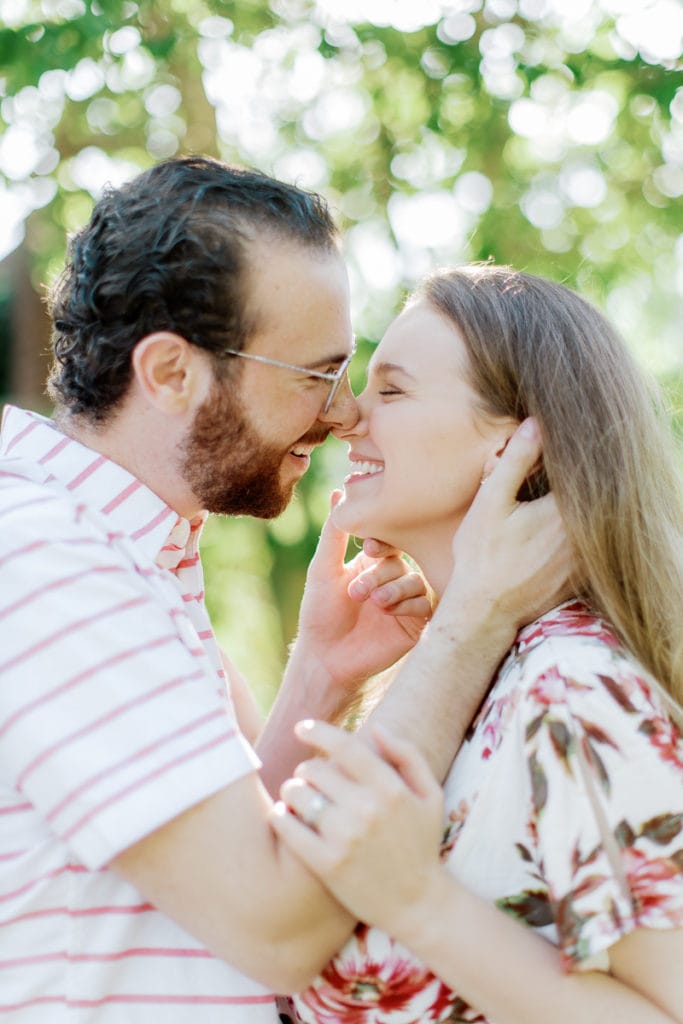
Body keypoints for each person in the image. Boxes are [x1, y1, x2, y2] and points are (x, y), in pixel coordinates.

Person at [0, 160, 570, 1021]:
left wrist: (319, 678)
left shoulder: (123, 555)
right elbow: (275, 930)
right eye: (316, 373)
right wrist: (475, 618)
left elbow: (217, 868)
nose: (343, 415)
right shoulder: (50, 564)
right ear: (170, 374)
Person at [273, 264, 683, 1024]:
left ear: (516, 442)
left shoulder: (572, 685)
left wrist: (417, 903)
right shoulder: (462, 679)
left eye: (391, 390)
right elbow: (254, 916)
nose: (349, 416)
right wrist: (322, 672)